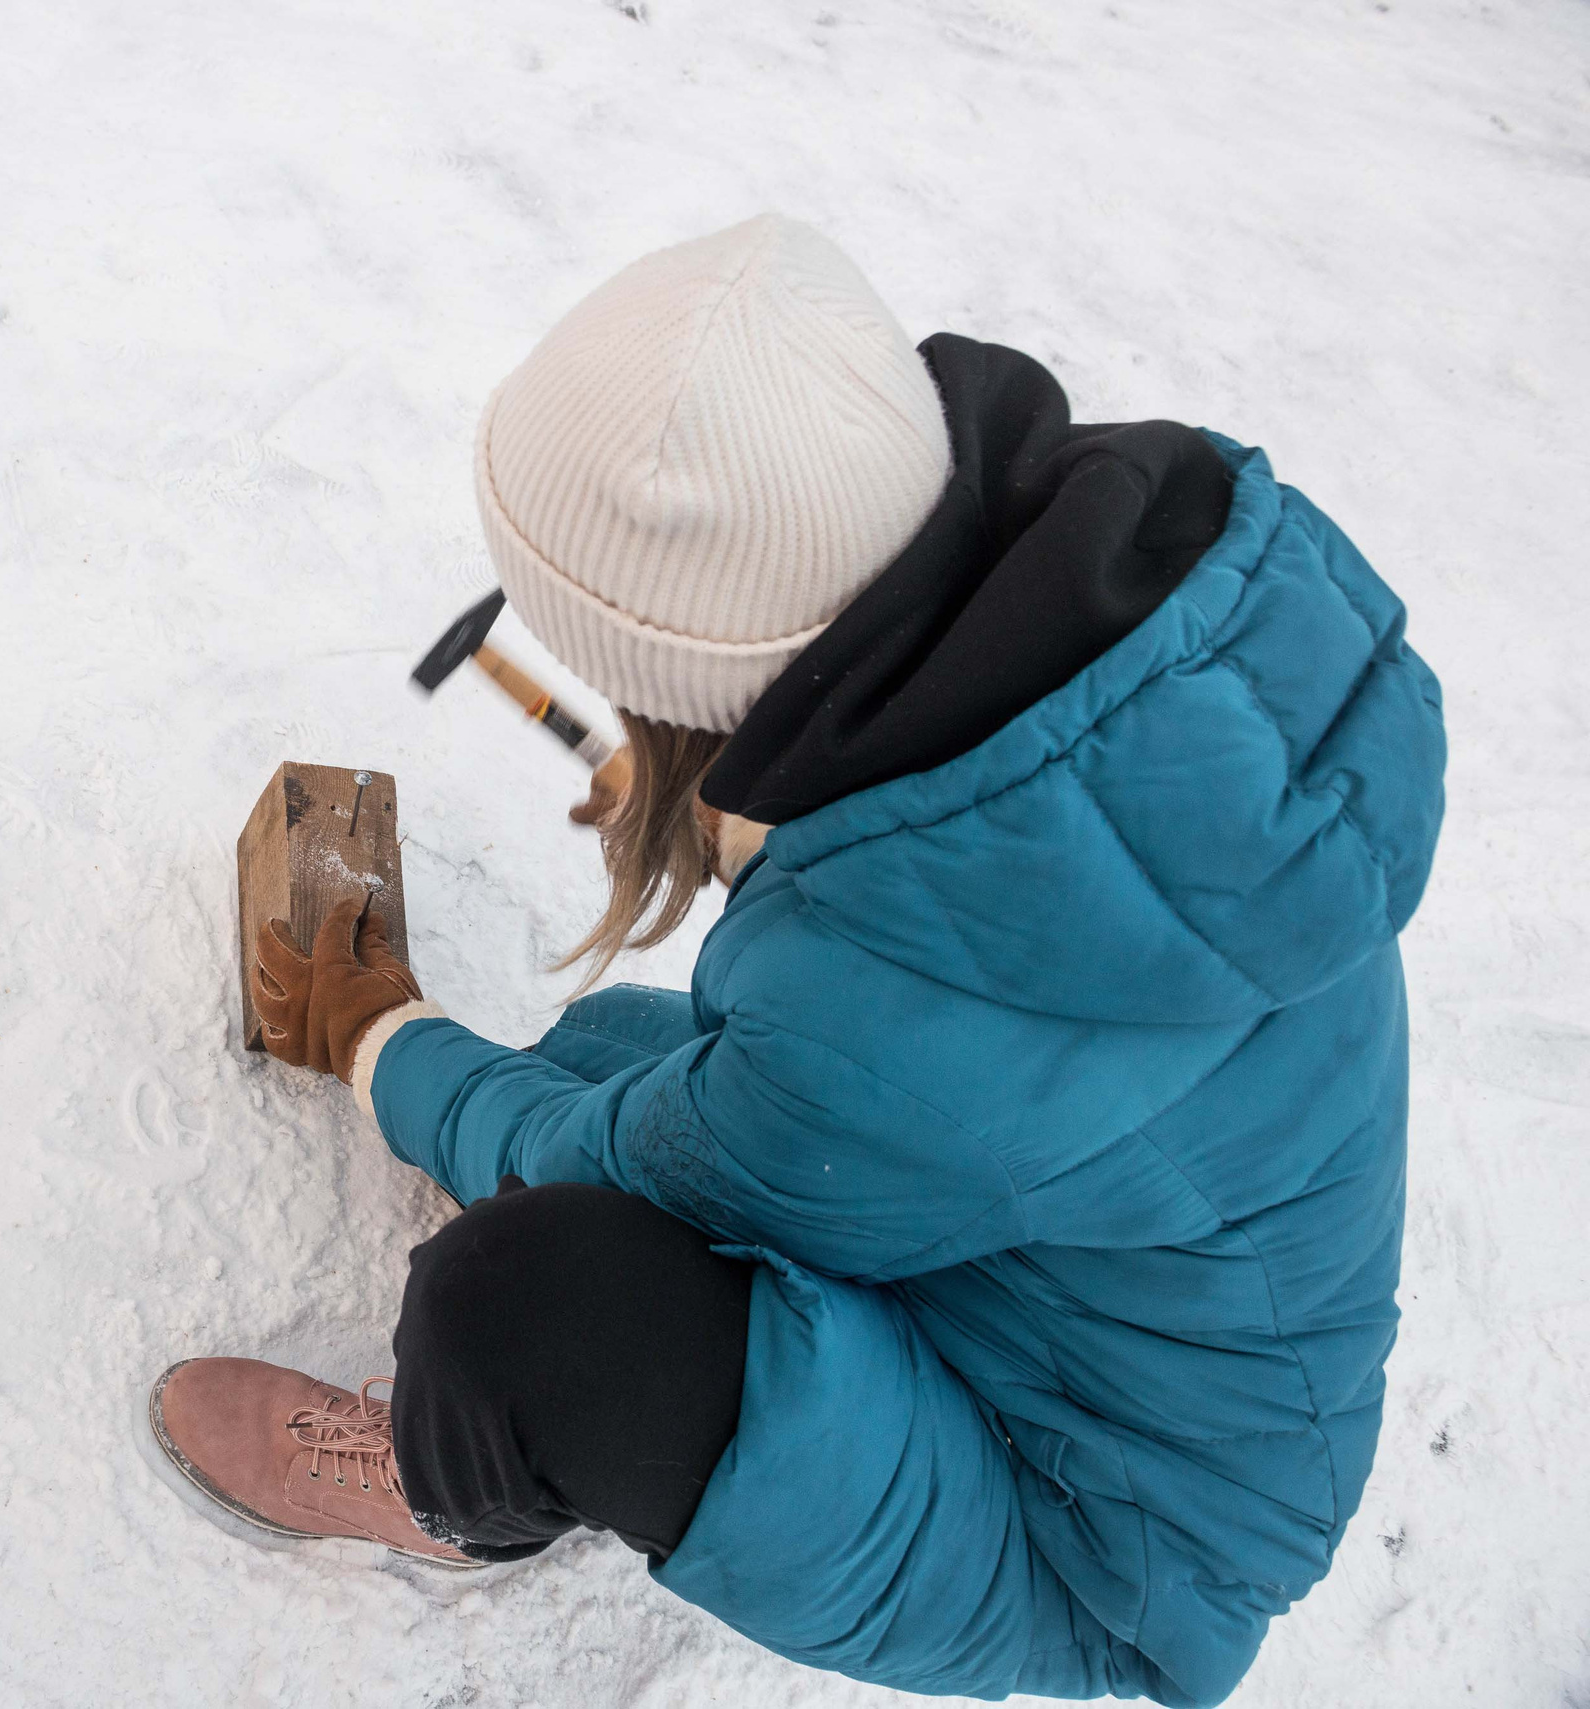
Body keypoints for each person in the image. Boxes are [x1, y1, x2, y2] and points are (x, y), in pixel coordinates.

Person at [147, 215, 1446, 1706]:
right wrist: (748, 816)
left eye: (623, 673)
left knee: (526, 1295)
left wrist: (383, 1038)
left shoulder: (879, 1036)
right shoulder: (1145, 645)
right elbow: (958, 900)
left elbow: (646, 1142)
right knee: (617, 1040)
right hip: (1100, 1300)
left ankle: (457, 1497)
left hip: (1096, 1527)